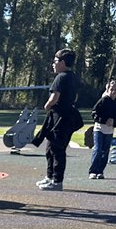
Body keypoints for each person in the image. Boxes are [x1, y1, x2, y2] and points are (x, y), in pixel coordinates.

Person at [32, 48, 82, 191]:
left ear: (63, 62)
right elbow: (75, 97)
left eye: (55, 61)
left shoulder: (61, 77)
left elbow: (54, 97)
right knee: (50, 148)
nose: (53, 64)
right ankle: (50, 177)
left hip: (60, 118)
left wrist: (47, 106)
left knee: (57, 149)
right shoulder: (73, 77)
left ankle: (57, 181)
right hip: (68, 117)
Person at [88, 79, 116, 180]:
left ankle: (100, 171)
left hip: (110, 131)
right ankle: (93, 171)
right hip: (99, 129)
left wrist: (114, 122)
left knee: (105, 151)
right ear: (107, 89)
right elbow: (94, 113)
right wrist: (104, 120)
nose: (113, 91)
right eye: (111, 89)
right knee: (98, 149)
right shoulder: (103, 101)